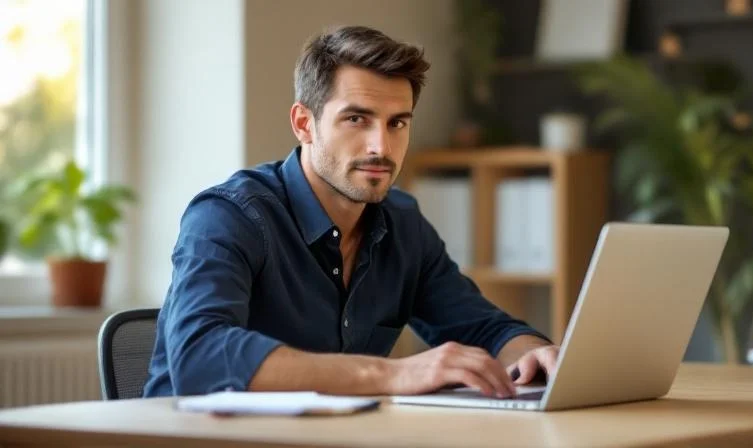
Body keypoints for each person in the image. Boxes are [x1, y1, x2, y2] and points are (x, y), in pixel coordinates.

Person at [143, 25, 560, 399]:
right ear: (304, 124)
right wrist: (393, 374)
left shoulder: (403, 224)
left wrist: (537, 354)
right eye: (357, 119)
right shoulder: (229, 216)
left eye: (397, 123)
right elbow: (200, 358)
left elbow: (485, 329)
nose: (381, 146)